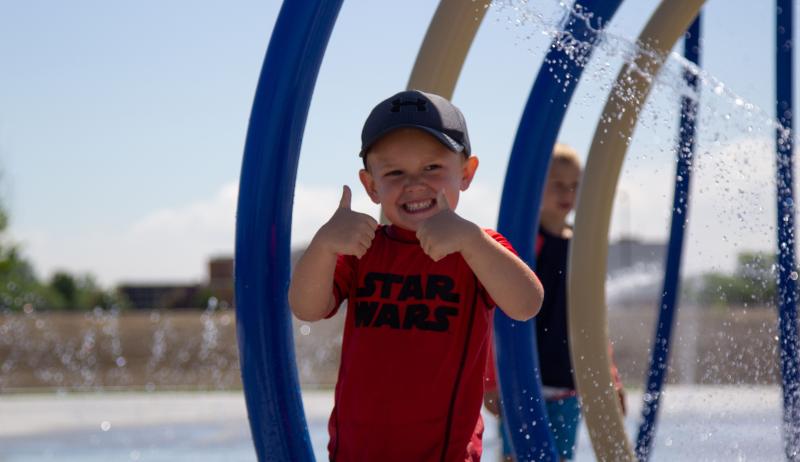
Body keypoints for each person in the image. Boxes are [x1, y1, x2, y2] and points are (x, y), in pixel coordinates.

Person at [288, 89, 545, 462]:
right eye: (394, 172)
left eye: (432, 168)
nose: (414, 184)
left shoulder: (478, 248)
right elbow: (307, 308)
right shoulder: (364, 249)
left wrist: (471, 240)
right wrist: (324, 244)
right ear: (371, 185)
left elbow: (527, 303)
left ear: (467, 173)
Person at [483, 143, 625, 462]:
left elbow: (591, 319)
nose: (568, 192)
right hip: (522, 378)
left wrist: (609, 376)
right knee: (515, 457)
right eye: (557, 184)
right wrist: (492, 379)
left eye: (575, 185)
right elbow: (498, 312)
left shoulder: (582, 246)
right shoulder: (521, 242)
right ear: (537, 185)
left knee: (561, 457)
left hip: (567, 382)